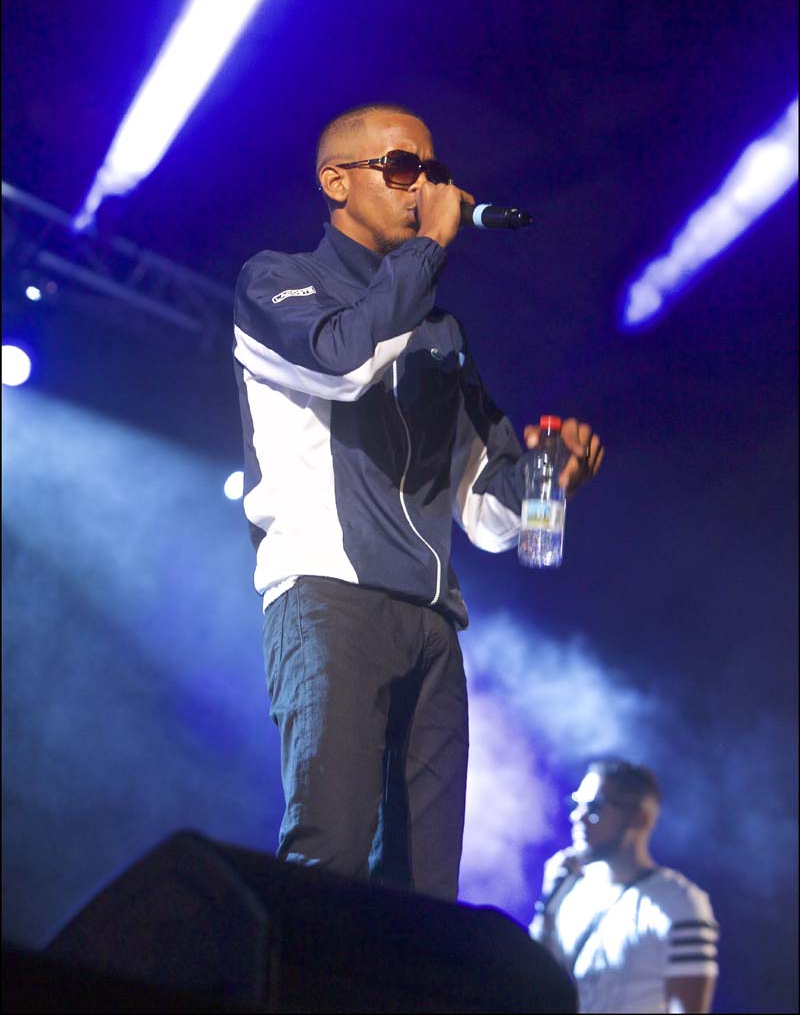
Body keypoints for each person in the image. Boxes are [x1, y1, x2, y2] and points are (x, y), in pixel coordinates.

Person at [232, 102, 603, 902]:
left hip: (433, 624)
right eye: (402, 169)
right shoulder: (275, 281)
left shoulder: (440, 334)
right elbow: (339, 364)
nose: (424, 186)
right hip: (330, 598)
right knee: (330, 853)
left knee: (423, 890)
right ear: (336, 182)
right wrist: (432, 245)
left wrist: (550, 481)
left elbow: (494, 520)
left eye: (432, 171)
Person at [530, 759, 719, 1013]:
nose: (578, 816)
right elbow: (534, 981)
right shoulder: (571, 893)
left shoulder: (676, 902)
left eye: (595, 806)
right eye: (577, 804)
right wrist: (549, 901)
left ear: (639, 819)